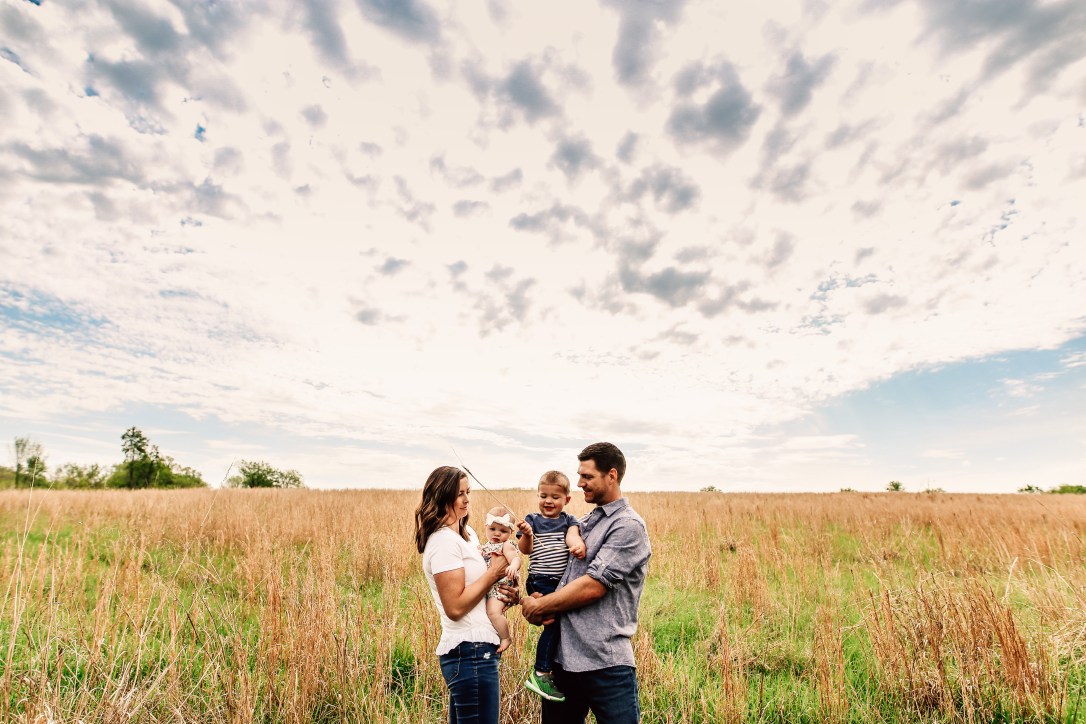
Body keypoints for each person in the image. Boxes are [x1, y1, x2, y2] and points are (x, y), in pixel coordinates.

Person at [520, 443, 651, 724]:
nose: (579, 483)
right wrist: (532, 599)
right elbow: (558, 575)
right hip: (563, 662)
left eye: (587, 477)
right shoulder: (583, 522)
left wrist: (540, 605)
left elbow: (594, 586)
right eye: (579, 476)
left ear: (611, 475)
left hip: (605, 662)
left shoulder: (627, 525)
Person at [415, 466, 520, 724]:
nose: (466, 499)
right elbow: (455, 607)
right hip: (468, 651)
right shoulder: (442, 542)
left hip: (477, 650)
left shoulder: (469, 534)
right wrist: (493, 574)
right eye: (459, 493)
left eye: (468, 492)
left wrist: (506, 593)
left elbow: (480, 589)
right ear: (441, 496)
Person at [516, 470, 586, 702]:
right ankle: (541, 672)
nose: (548, 501)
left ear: (566, 499)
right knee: (553, 625)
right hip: (540, 579)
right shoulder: (532, 520)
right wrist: (527, 534)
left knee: (556, 624)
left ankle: (551, 668)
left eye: (555, 497)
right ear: (537, 496)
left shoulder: (568, 521)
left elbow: (572, 537)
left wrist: (577, 546)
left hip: (559, 582)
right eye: (543, 495)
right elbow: (526, 550)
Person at [478, 506, 523, 653]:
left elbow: (516, 559)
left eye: (503, 531)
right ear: (486, 527)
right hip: (489, 585)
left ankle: (505, 637)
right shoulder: (485, 546)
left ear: (510, 532)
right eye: (492, 529)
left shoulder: (506, 545)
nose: (497, 533)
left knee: (493, 612)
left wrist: (513, 567)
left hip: (499, 587)